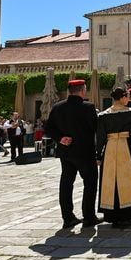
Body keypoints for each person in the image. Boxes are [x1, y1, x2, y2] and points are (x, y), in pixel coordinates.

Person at [45, 79, 101, 229]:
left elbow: (48, 128)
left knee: (66, 184)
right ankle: (89, 217)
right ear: (83, 90)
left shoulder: (57, 107)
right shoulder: (88, 107)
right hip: (85, 152)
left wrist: (60, 138)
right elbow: (96, 129)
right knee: (90, 183)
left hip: (66, 152)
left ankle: (67, 218)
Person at [96, 87, 131, 227]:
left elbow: (100, 137)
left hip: (110, 146)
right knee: (129, 177)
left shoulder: (103, 115)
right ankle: (128, 212)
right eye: (127, 96)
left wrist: (98, 154)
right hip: (127, 145)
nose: (128, 99)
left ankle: (112, 213)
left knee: (110, 179)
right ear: (122, 97)